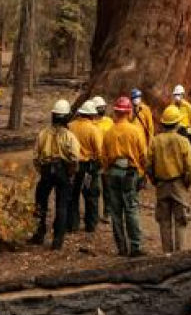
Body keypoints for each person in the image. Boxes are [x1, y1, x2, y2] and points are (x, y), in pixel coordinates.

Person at [101, 95, 149, 257]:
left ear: (116, 112)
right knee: (131, 209)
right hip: (129, 172)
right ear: (129, 112)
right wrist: (143, 172)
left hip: (113, 172)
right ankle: (135, 247)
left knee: (116, 211)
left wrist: (107, 171)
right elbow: (143, 155)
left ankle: (121, 247)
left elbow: (103, 156)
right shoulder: (135, 131)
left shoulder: (109, 132)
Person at [30, 99, 81, 249]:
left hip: (46, 171)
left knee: (40, 204)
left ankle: (39, 234)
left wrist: (42, 170)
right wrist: (70, 174)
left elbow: (35, 157)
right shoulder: (69, 136)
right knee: (62, 205)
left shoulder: (43, 134)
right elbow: (75, 158)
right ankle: (57, 240)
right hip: (63, 172)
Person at [147, 104, 191, 253]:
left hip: (161, 184)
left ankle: (167, 254)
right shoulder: (183, 141)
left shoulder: (155, 141)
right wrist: (185, 183)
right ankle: (179, 255)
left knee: (164, 221)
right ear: (177, 123)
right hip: (178, 184)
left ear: (163, 123)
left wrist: (155, 181)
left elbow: (148, 165)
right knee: (180, 221)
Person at [69, 99, 104, 232]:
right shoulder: (94, 130)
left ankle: (73, 224)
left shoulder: (70, 126)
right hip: (88, 167)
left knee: (73, 195)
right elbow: (99, 151)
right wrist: (99, 164)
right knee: (91, 196)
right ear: (92, 115)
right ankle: (90, 224)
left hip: (72, 165)